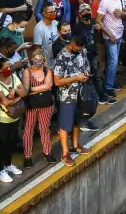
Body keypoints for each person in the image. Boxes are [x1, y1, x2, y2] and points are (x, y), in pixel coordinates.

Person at [53, 34, 93, 167]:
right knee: (65, 124)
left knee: (77, 120)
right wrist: (76, 78)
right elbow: (57, 81)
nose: (79, 51)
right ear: (71, 45)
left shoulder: (83, 51)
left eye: (81, 49)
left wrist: (86, 74)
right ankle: (65, 153)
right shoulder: (61, 57)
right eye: (77, 48)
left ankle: (75, 145)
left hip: (80, 92)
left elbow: (87, 65)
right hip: (67, 95)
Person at [0, 57, 27, 183]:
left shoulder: (14, 77)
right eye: (6, 67)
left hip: (14, 116)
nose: (10, 69)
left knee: (11, 142)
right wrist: (18, 98)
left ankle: (8, 164)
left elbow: (25, 91)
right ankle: (0, 170)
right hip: (1, 118)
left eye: (10, 66)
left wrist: (15, 91)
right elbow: (5, 102)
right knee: (1, 144)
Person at [21, 49, 55, 167]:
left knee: (44, 128)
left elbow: (49, 85)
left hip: (46, 105)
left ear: (43, 60)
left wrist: (32, 89)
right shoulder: (27, 71)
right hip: (31, 105)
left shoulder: (48, 70)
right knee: (28, 129)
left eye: (39, 59)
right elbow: (26, 88)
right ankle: (28, 156)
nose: (37, 61)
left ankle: (47, 152)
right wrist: (42, 88)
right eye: (35, 58)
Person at [97, 0, 126, 96]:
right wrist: (110, 34)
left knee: (113, 61)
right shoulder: (105, 2)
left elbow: (125, 13)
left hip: (119, 34)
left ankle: (111, 81)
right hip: (111, 37)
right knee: (113, 61)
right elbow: (98, 20)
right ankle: (108, 86)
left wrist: (122, 14)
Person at [33, 3, 59, 68]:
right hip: (46, 63)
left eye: (54, 11)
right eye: (51, 12)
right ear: (44, 13)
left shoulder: (55, 23)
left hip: (57, 59)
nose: (54, 13)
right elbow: (37, 49)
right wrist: (41, 63)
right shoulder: (39, 28)